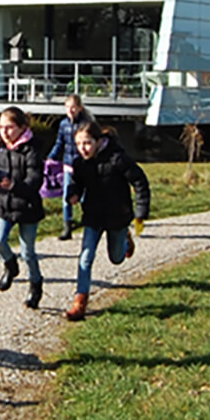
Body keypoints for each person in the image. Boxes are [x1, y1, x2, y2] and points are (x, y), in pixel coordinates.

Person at [64, 121, 150, 321]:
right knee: (85, 257)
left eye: (87, 143)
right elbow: (76, 184)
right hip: (93, 216)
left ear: (99, 141)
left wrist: (140, 211)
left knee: (117, 258)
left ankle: (125, 239)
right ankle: (80, 301)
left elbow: (140, 182)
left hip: (117, 216)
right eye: (78, 144)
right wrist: (73, 194)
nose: (82, 148)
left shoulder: (117, 159)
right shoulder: (80, 164)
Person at [0, 107, 45, 308]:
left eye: (10, 127)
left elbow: (35, 179)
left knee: (28, 252)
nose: (4, 132)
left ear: (22, 128)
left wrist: (17, 186)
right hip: (3, 205)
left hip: (27, 206)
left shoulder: (31, 150)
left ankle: (35, 286)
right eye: (1, 127)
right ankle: (10, 265)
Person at [47, 94, 93, 240]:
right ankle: (67, 227)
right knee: (67, 196)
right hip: (68, 163)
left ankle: (89, 223)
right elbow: (60, 143)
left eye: (73, 107)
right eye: (67, 107)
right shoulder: (63, 124)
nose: (70, 110)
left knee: (85, 196)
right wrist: (51, 157)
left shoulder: (86, 124)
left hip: (84, 164)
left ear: (79, 108)